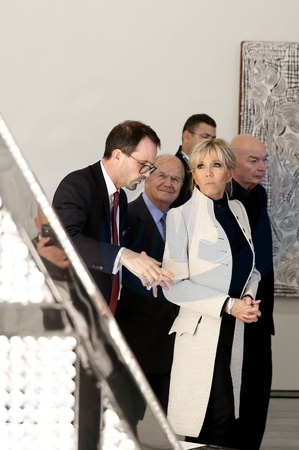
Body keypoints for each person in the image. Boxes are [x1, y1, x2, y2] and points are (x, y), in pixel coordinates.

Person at [52, 120, 173, 448]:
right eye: (144, 165)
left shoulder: (118, 198)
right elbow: (65, 242)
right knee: (78, 418)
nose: (147, 174)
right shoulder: (78, 185)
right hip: (78, 323)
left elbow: (112, 261)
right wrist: (125, 256)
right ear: (118, 155)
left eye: (151, 167)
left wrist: (144, 271)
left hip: (106, 324)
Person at [162, 138, 262, 448]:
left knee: (225, 419)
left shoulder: (238, 211)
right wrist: (230, 305)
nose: (208, 172)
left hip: (234, 328)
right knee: (211, 419)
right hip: (201, 331)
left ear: (229, 172)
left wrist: (248, 297)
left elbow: (251, 268)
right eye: (200, 166)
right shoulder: (180, 216)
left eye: (216, 165)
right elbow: (174, 285)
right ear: (193, 173)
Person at [115, 155, 184, 411]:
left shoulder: (183, 222)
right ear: (146, 178)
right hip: (136, 340)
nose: (168, 183)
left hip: (174, 342)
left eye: (176, 179)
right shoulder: (125, 216)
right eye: (161, 175)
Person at [229, 134, 275, 450]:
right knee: (237, 393)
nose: (261, 167)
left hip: (261, 309)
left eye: (264, 160)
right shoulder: (220, 196)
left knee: (258, 390)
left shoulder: (259, 194)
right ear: (232, 161)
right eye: (253, 160)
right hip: (235, 310)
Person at [172, 114, 217, 208]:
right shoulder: (172, 168)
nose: (209, 143)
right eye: (205, 137)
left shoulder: (216, 168)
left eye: (213, 139)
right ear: (186, 137)